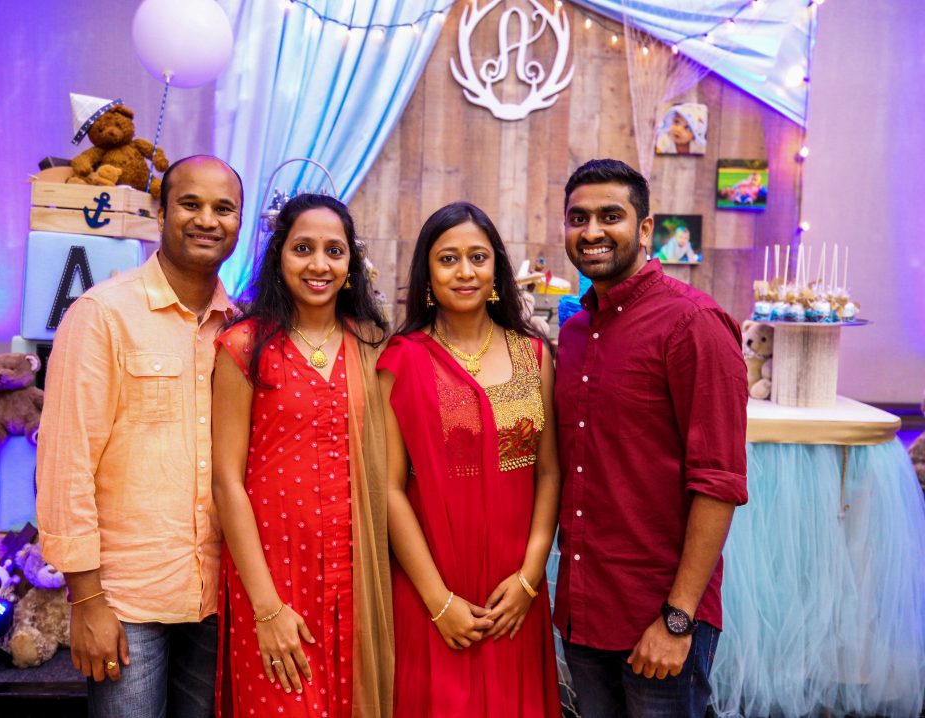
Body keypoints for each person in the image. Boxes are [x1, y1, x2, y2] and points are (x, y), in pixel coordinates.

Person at [36, 155, 244, 717]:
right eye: (190, 204)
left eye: (223, 208)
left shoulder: (242, 328)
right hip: (126, 601)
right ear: (160, 212)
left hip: (216, 597)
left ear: (240, 223)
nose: (207, 220)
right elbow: (65, 465)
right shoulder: (103, 314)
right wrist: (87, 599)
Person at [554, 158, 748, 717]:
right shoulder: (573, 332)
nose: (591, 232)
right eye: (578, 217)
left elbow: (719, 482)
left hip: (659, 619)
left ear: (644, 229)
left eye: (609, 216)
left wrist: (677, 618)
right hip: (585, 609)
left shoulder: (693, 324)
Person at [211, 193, 392, 717]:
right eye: (303, 249)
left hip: (357, 581)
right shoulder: (245, 346)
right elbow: (227, 482)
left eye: (334, 251)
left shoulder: (374, 344)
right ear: (278, 257)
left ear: (351, 264)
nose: (319, 264)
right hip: (273, 581)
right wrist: (267, 611)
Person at [379, 202, 562, 717]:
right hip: (431, 589)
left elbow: (548, 472)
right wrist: (438, 602)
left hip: (514, 595)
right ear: (427, 275)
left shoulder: (534, 355)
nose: (464, 272)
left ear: (497, 269)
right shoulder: (401, 359)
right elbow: (390, 489)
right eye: (448, 259)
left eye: (477, 257)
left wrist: (530, 577)